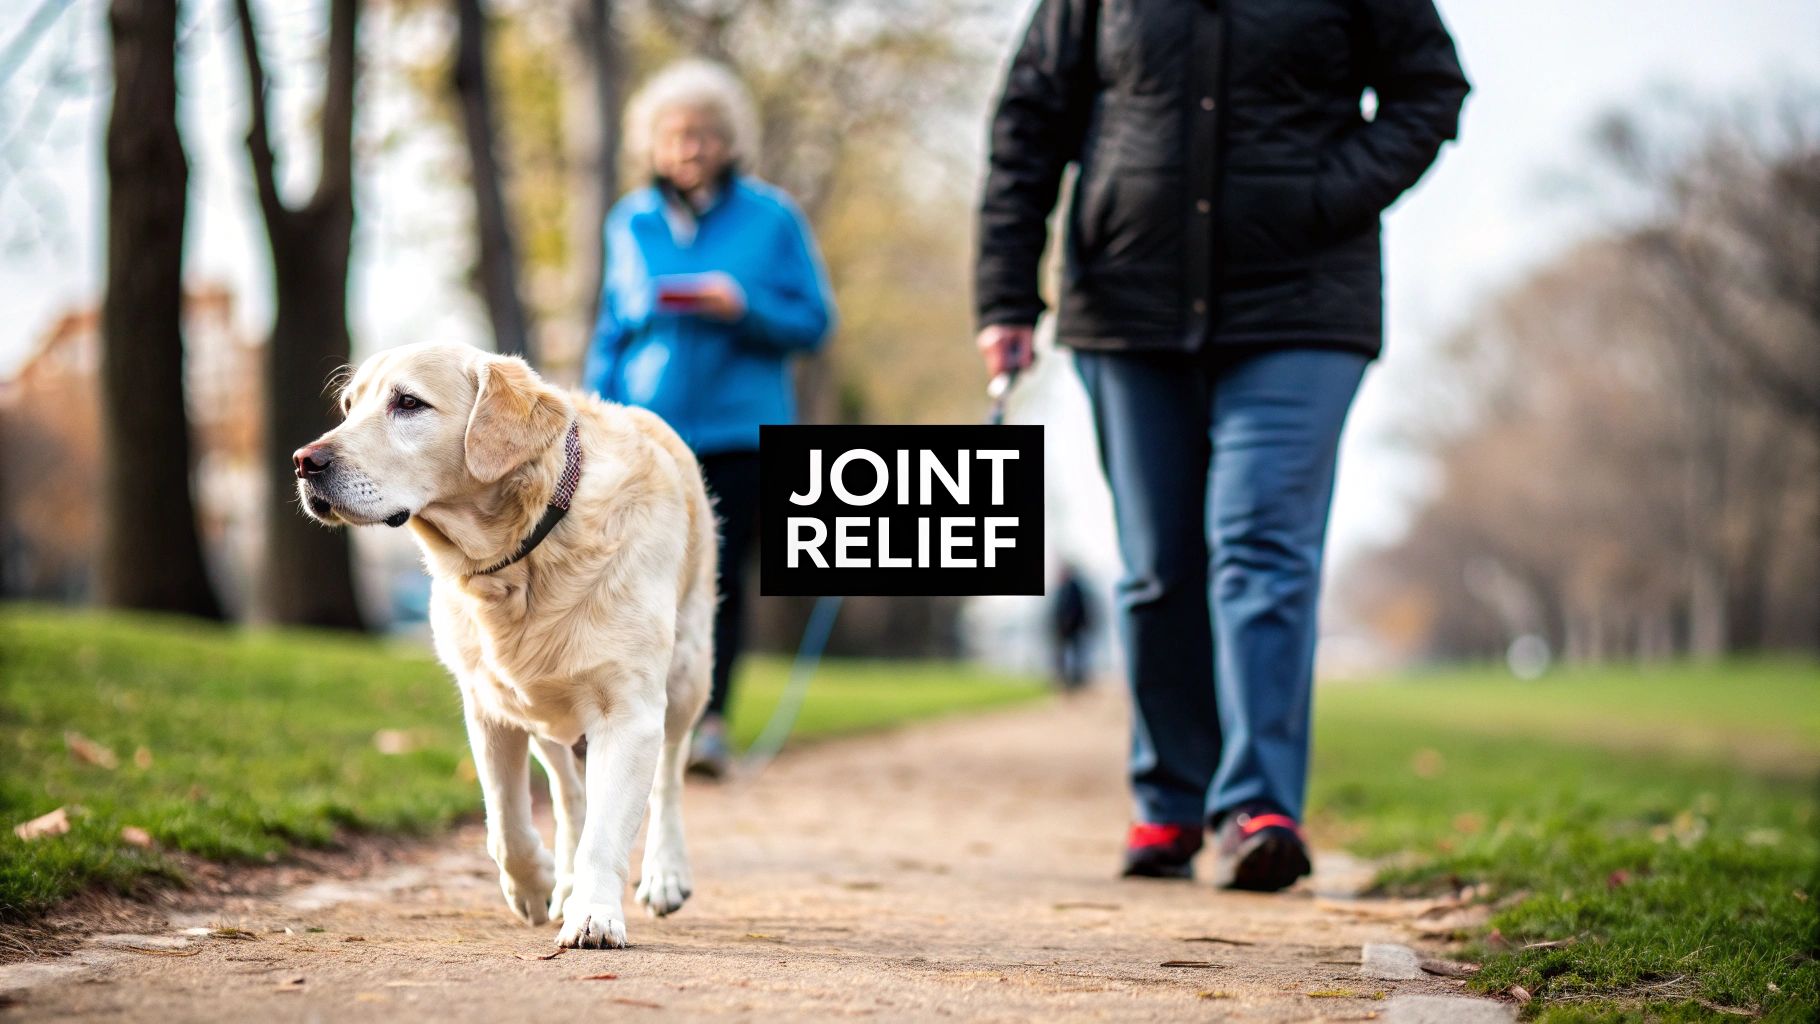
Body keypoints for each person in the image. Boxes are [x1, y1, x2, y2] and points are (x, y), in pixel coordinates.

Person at [976, 0, 1467, 890]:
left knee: (1261, 545)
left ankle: (1256, 807)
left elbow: (1430, 90)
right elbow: (1029, 121)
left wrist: (1326, 195)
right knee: (1160, 565)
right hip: (1129, 306)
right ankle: (1168, 801)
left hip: (1302, 304)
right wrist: (1006, 294)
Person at [584, 59, 836, 779]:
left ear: (729, 142)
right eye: (675, 135)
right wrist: (592, 416)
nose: (689, 147)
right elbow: (611, 326)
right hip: (645, 430)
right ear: (653, 143)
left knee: (715, 581)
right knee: (627, 575)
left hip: (742, 432)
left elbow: (815, 321)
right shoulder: (629, 219)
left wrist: (742, 307)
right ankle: (625, 712)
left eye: (703, 135)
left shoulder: (773, 218)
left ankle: (711, 722)